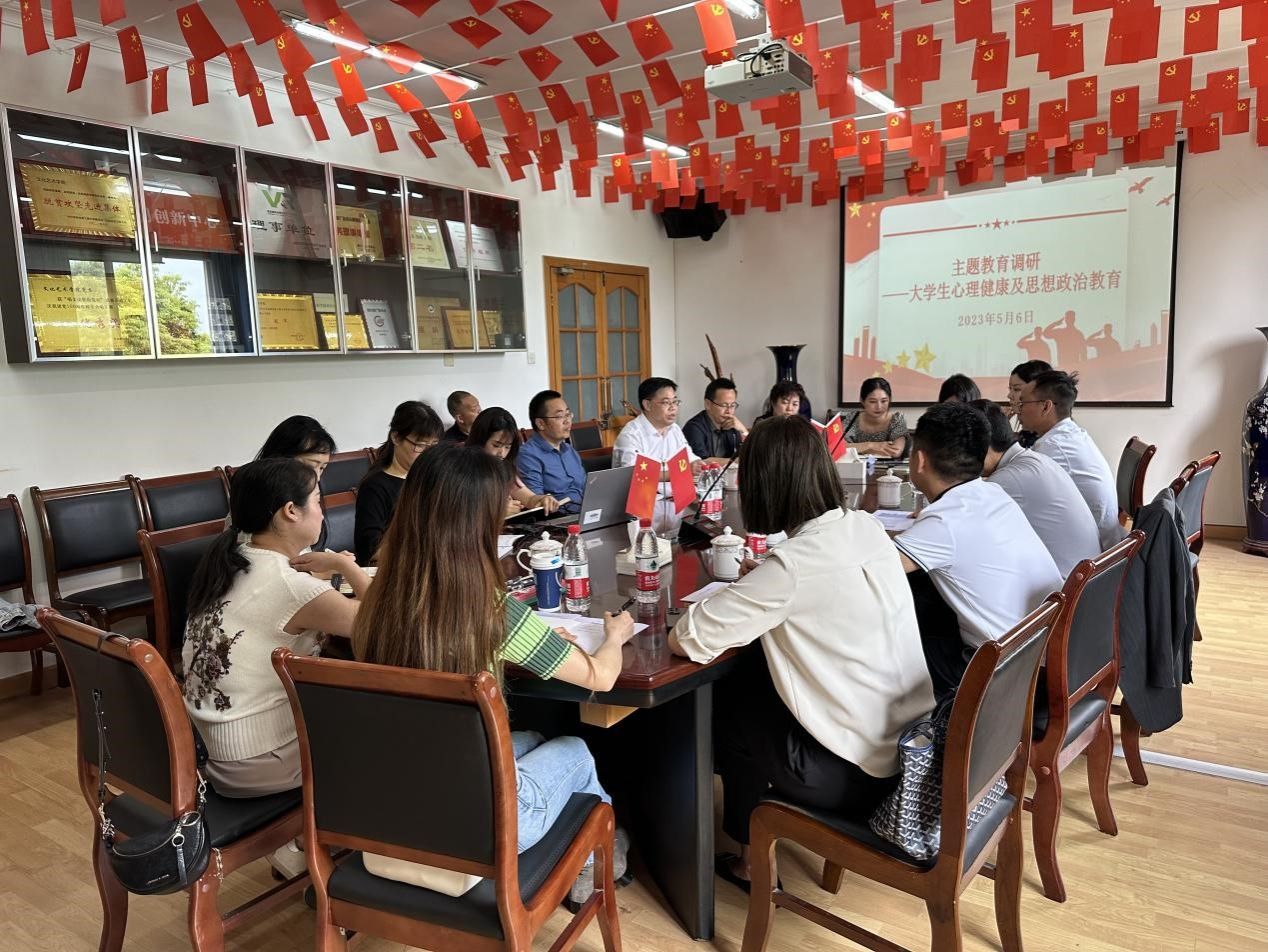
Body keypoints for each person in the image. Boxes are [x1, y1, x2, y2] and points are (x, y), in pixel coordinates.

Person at [353, 444, 636, 902]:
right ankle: (592, 865)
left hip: (398, 804)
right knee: (577, 751)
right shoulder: (492, 613)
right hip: (484, 825)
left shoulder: (375, 603)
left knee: (536, 739)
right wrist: (615, 636)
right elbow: (600, 677)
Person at [669, 416, 933, 888]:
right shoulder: (865, 526)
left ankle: (751, 863)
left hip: (852, 776)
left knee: (736, 698)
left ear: (765, 486)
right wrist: (765, 583)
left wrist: (760, 586)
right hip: (911, 752)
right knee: (755, 672)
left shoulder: (791, 568)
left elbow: (689, 638)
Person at [182, 459, 370, 875]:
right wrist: (346, 567)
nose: (322, 511)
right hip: (257, 763)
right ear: (290, 511)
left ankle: (305, 841)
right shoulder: (288, 584)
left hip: (214, 752)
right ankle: (340, 850)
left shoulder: (232, 558)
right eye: (317, 500)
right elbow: (384, 623)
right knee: (383, 722)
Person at [894, 403, 1062, 696]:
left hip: (1004, 677)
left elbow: (875, 569)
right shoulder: (993, 493)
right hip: (1048, 654)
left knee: (893, 620)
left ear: (919, 460)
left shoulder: (944, 522)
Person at [972, 400, 1101, 578]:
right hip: (1086, 578)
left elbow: (967, 529)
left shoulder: (1008, 479)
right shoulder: (1032, 460)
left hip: (1066, 587)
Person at [1017, 370, 1126, 550]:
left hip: (1093, 552)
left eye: (1023, 403)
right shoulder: (1070, 434)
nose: (1017, 410)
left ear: (1046, 407)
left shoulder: (1053, 447)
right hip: (1104, 541)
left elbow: (1021, 494)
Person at [355, 401, 443, 565]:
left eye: (433, 446)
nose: (428, 453)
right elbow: (370, 550)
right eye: (420, 445)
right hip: (396, 568)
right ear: (396, 438)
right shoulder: (375, 487)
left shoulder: (432, 479)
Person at [253, 415, 337, 550]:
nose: (317, 478)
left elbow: (307, 549)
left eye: (322, 468)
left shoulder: (308, 493)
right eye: (310, 466)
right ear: (281, 459)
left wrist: (328, 558)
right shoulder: (253, 498)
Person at [466, 407, 562, 517]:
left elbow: (529, 499)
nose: (502, 453)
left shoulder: (503, 468)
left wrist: (544, 499)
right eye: (496, 445)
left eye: (507, 447)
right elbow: (461, 513)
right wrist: (496, 512)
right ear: (480, 440)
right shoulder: (462, 470)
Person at [612, 378, 702, 491]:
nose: (673, 407)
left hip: (674, 494)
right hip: (641, 496)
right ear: (647, 405)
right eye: (666, 402)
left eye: (675, 401)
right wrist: (679, 472)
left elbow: (689, 458)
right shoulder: (630, 435)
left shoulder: (674, 429)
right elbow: (635, 474)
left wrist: (698, 465)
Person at [517, 390, 587, 509]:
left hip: (585, 511)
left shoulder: (569, 450)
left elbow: (586, 487)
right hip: (559, 517)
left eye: (568, 414)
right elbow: (537, 503)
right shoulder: (528, 455)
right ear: (540, 424)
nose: (567, 421)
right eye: (559, 416)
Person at [682, 376, 748, 463]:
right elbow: (701, 462)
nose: (729, 411)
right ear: (708, 404)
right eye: (724, 405)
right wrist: (735, 461)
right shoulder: (694, 428)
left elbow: (750, 453)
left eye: (732, 405)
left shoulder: (732, 424)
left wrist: (743, 430)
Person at [842, 377, 908, 458]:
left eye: (884, 401)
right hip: (856, 465)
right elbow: (839, 447)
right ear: (862, 401)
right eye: (872, 401)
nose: (879, 407)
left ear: (890, 400)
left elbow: (895, 452)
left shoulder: (897, 419)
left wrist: (859, 448)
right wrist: (870, 446)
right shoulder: (853, 418)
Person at [1005, 358, 1052, 447]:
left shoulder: (1051, 442)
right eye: (1010, 389)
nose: (1009, 396)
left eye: (1017, 389)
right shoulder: (1025, 434)